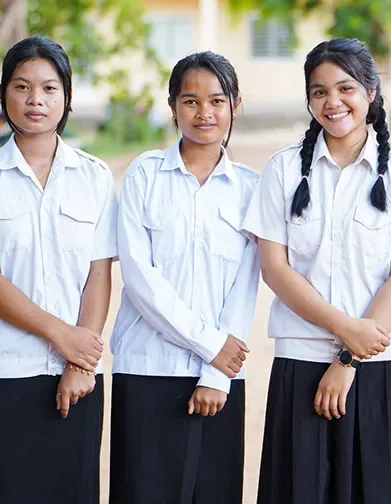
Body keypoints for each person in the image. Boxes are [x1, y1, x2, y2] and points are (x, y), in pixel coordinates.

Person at [243, 38, 391, 504]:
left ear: (371, 93)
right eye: (319, 91)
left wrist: (348, 359)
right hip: (301, 361)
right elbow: (276, 269)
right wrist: (344, 331)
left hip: (378, 369)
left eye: (345, 87)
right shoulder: (284, 171)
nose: (332, 102)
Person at [0, 35, 118, 503]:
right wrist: (63, 336)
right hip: (4, 369)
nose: (35, 100)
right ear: (4, 94)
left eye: (49, 88)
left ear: (66, 96)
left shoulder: (95, 176)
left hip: (78, 374)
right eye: (22, 87)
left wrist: (81, 361)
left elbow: (98, 273)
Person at [110, 51, 259, 504]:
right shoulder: (144, 175)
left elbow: (247, 283)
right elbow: (140, 278)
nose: (204, 113)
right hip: (147, 367)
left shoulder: (252, 187)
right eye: (190, 101)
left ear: (236, 104)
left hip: (220, 375)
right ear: (172, 106)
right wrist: (210, 346)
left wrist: (217, 372)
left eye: (216, 100)